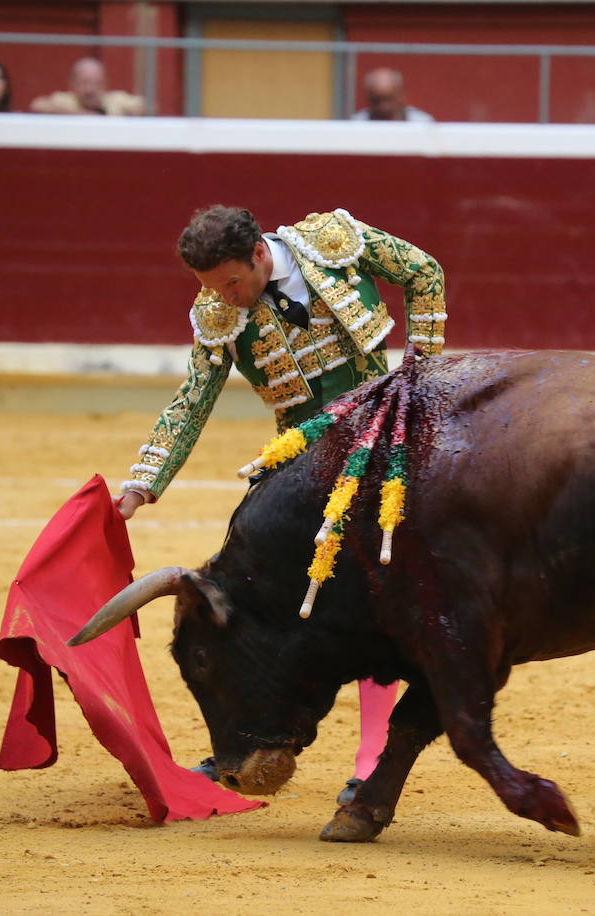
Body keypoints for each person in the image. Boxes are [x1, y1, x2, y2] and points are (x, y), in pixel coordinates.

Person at [119, 205, 447, 803]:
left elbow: (424, 272)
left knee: (386, 603)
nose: (224, 298)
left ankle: (372, 758)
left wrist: (421, 374)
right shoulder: (218, 311)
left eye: (231, 283)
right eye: (212, 288)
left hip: (388, 440)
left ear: (260, 256)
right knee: (248, 599)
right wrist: (143, 483)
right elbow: (193, 400)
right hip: (302, 463)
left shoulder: (333, 243)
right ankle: (241, 743)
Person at [29, 57, 143, 116]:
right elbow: (37, 105)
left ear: (105, 84)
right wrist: (82, 115)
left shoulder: (116, 99)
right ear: (72, 84)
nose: (90, 90)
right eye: (84, 83)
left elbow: (144, 107)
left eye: (96, 83)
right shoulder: (65, 100)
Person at [349, 67, 433, 122]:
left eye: (389, 99)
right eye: (376, 100)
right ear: (368, 99)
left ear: (401, 96)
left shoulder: (422, 123)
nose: (383, 107)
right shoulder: (357, 124)